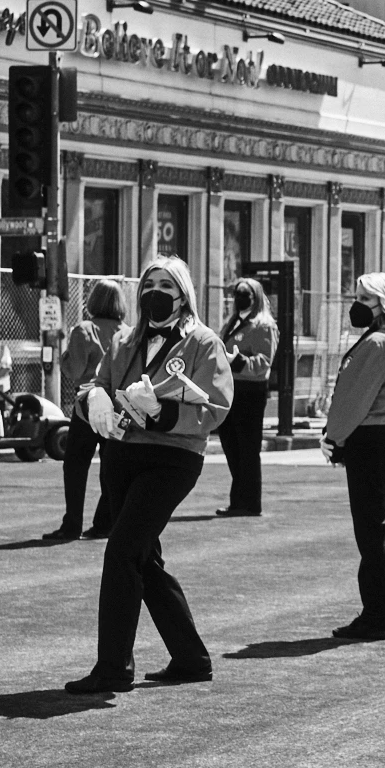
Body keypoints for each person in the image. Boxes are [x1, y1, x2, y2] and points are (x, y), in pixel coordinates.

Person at [65, 257, 234, 694]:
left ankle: (113, 667)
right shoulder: (124, 339)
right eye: (148, 284)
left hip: (172, 459)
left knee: (121, 552)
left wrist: (162, 411)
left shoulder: (204, 342)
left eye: (165, 284)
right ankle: (191, 658)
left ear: (183, 292)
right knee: (144, 559)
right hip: (121, 454)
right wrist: (93, 400)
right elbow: (94, 383)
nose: (154, 292)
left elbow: (214, 409)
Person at [318, 272, 385, 640]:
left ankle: (376, 614)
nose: (357, 303)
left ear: (383, 302)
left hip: (371, 440)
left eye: (365, 297)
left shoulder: (377, 342)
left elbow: (353, 399)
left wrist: (334, 437)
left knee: (372, 532)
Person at [45, 280, 127, 542]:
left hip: (88, 404)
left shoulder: (85, 329)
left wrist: (65, 352)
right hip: (117, 406)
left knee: (76, 466)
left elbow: (74, 370)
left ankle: (72, 524)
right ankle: (105, 522)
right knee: (111, 468)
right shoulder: (128, 332)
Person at [214, 276, 277, 518]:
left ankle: (249, 502)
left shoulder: (264, 326)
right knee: (231, 445)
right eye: (237, 293)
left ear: (256, 297)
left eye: (245, 294)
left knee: (247, 449)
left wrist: (238, 361)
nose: (240, 298)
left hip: (250, 393)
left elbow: (263, 362)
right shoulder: (232, 322)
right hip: (230, 390)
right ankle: (239, 498)